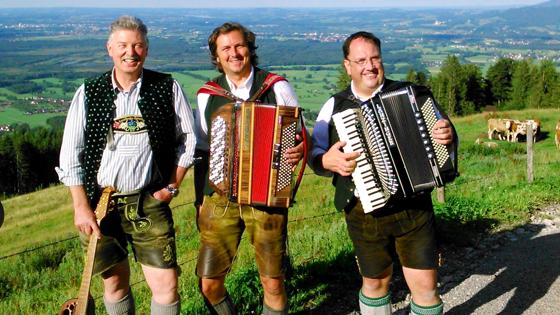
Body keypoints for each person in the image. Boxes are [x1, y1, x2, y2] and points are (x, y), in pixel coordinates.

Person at [56, 15, 196, 315]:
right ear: (110, 48)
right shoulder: (89, 92)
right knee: (115, 285)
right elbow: (70, 155)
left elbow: (189, 139)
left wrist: (171, 186)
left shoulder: (166, 87)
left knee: (167, 286)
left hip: (149, 200)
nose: (130, 52)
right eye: (122, 45)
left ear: (146, 49)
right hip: (100, 206)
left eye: (138, 45)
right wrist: (81, 206)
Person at [310, 31, 457, 315]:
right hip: (363, 212)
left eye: (375, 58)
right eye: (361, 60)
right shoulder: (334, 106)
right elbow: (315, 155)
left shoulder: (414, 95)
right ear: (347, 66)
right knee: (375, 283)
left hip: (414, 208)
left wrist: (447, 135)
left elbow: (445, 136)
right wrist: (326, 160)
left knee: (426, 286)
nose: (369, 66)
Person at [194, 22, 305, 315]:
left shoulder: (276, 87)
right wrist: (200, 199)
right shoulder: (207, 94)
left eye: (239, 46)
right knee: (208, 282)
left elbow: (300, 137)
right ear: (216, 56)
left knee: (273, 281)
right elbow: (203, 150)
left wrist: (296, 152)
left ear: (250, 49)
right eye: (226, 48)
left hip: (267, 197)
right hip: (220, 199)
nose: (234, 53)